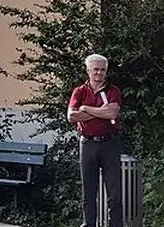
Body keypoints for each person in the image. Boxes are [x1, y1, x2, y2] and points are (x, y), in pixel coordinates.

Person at [67, 54, 123, 227]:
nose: (99, 73)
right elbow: (72, 116)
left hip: (109, 144)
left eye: (102, 70)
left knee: (114, 193)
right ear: (88, 70)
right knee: (88, 192)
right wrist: (100, 111)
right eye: (95, 69)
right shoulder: (79, 91)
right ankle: (88, 224)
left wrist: (86, 109)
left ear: (106, 71)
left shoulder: (113, 91)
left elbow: (112, 113)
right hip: (88, 144)